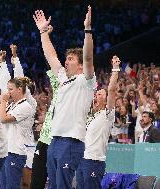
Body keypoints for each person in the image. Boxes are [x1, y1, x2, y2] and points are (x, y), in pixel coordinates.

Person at [33, 6, 96, 188]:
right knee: (53, 185)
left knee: (62, 185)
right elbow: (51, 55)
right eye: (66, 58)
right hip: (54, 139)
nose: (66, 61)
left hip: (71, 141)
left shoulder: (86, 80)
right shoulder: (63, 79)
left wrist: (87, 30)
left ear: (80, 65)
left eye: (71, 59)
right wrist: (43, 32)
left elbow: (89, 58)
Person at [76, 55, 120, 189]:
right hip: (82, 160)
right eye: (96, 94)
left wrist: (116, 69)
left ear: (107, 99)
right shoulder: (90, 116)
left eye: (100, 94)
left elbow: (112, 90)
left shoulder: (107, 114)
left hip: (94, 161)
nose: (96, 96)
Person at [30, 25, 60, 189]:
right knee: (36, 182)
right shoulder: (58, 88)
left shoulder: (77, 91)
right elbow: (52, 60)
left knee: (57, 183)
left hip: (59, 143)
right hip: (43, 141)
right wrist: (45, 37)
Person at [0, 77, 36, 189]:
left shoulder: (25, 106)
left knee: (12, 186)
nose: (8, 92)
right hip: (6, 150)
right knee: (4, 186)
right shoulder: (12, 105)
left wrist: (4, 101)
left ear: (19, 89)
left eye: (10, 89)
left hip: (16, 152)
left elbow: (3, 119)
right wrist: (3, 103)